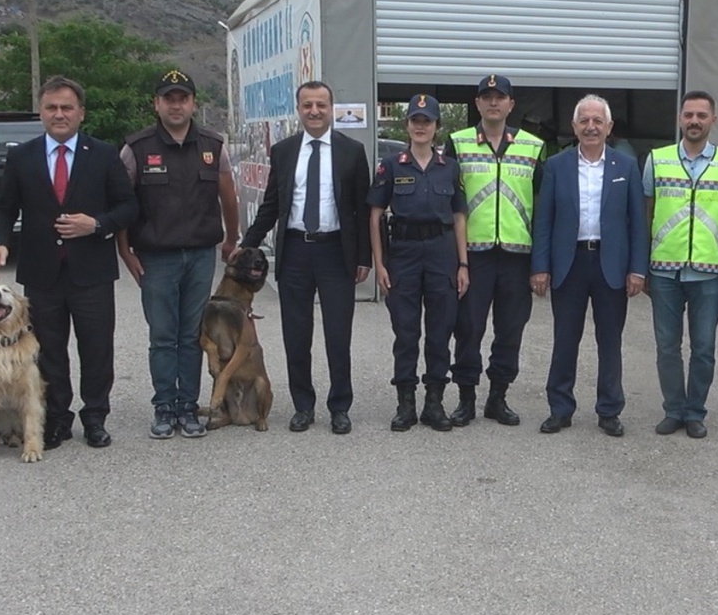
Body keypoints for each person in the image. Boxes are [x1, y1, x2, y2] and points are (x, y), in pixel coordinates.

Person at [0, 76, 138, 451]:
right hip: (42, 273)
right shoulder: (22, 157)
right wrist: (1, 243)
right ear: (41, 112)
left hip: (92, 272)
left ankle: (95, 417)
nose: (59, 114)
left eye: (67, 107)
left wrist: (97, 224)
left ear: (80, 113)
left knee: (96, 349)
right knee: (48, 350)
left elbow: (129, 206)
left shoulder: (103, 154)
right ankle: (57, 418)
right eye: (51, 107)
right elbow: (4, 208)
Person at [239, 81, 372, 434]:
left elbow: (361, 209)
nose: (314, 111)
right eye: (308, 105)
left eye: (321, 105)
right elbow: (272, 205)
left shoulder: (351, 151)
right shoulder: (283, 151)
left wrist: (365, 257)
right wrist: (247, 243)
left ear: (331, 109)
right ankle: (303, 406)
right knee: (296, 335)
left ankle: (340, 406)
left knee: (338, 335)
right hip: (296, 251)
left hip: (336, 252)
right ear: (298, 109)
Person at [118, 69, 241, 440]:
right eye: (168, 99)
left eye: (183, 98)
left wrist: (231, 239)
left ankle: (187, 406)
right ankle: (163, 406)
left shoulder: (213, 146)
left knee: (191, 336)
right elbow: (122, 204)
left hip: (201, 256)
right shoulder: (136, 148)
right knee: (162, 336)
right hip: (156, 258)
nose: (176, 105)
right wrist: (124, 250)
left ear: (193, 104)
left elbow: (228, 196)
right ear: (156, 104)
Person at [530, 95, 649, 437]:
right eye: (584, 120)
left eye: (598, 121)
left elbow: (637, 222)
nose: (591, 127)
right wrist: (540, 266)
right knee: (565, 340)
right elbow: (544, 220)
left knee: (610, 342)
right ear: (574, 126)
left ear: (609, 127)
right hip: (569, 263)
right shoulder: (556, 166)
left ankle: (609, 410)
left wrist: (637, 269)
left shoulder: (626, 166)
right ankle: (560, 408)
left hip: (611, 264)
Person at [445, 74, 546, 427]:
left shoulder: (533, 146)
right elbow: (450, 203)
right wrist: (456, 260)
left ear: (510, 104)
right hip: (473, 255)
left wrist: (540, 261)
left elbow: (543, 207)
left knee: (510, 329)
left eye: (499, 97)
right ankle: (466, 399)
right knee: (468, 328)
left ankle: (498, 398)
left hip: (517, 256)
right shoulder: (458, 143)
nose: (493, 102)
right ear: (476, 103)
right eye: (486, 97)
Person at [642, 90, 718, 439]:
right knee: (667, 347)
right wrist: (642, 265)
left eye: (701, 115)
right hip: (664, 270)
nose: (694, 121)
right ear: (679, 119)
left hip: (709, 273)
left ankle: (695, 412)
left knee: (704, 348)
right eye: (689, 115)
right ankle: (674, 410)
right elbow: (646, 213)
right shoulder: (657, 160)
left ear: (713, 120)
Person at [369, 94, 470, 432]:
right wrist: (380, 265)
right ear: (407, 124)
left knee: (440, 331)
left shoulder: (449, 168)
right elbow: (375, 216)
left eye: (427, 121)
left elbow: (459, 216)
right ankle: (406, 403)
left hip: (442, 253)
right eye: (415, 120)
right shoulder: (391, 165)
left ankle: (434, 403)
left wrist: (463, 264)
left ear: (437, 126)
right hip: (404, 253)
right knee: (406, 331)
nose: (421, 126)